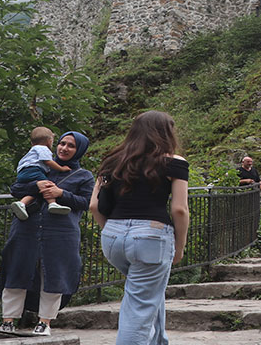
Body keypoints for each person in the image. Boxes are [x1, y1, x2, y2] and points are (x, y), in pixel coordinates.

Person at [90, 111, 189, 345]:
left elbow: (94, 204)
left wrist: (112, 231)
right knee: (139, 305)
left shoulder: (112, 160)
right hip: (151, 239)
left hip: (113, 237)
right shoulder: (174, 163)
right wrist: (180, 245)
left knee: (147, 293)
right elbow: (179, 209)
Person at [0, 131, 95, 335]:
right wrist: (36, 185)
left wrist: (62, 194)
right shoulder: (41, 164)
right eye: (61, 143)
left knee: (54, 275)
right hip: (26, 228)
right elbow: (16, 187)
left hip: (61, 232)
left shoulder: (83, 176)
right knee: (16, 270)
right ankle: (8, 321)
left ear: (80, 150)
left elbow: (86, 203)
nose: (64, 148)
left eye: (71, 146)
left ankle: (45, 322)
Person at [10, 126, 72, 220]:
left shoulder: (32, 150)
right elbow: (48, 161)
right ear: (49, 141)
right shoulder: (43, 149)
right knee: (47, 185)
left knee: (36, 189)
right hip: (34, 170)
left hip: (23, 172)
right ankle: (52, 204)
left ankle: (22, 203)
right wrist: (61, 169)